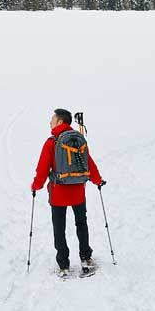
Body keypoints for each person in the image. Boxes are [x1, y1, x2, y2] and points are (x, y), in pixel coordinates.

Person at [31, 108, 105, 274]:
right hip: (78, 191)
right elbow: (89, 163)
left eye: (52, 119)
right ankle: (86, 258)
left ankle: (64, 265)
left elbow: (42, 168)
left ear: (60, 121)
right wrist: (97, 180)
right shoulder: (79, 140)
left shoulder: (52, 142)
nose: (50, 122)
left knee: (59, 228)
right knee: (81, 223)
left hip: (58, 193)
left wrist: (36, 185)